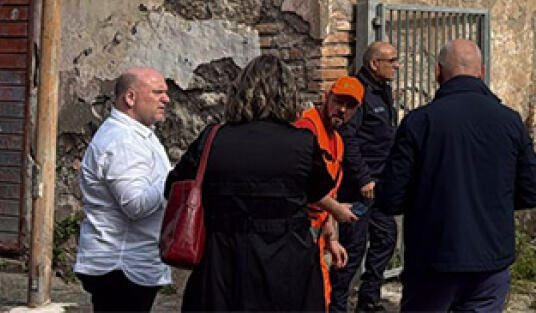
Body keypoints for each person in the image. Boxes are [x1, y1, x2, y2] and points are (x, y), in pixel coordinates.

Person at [166, 54, 357, 312]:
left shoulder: (213, 138)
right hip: (287, 264)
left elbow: (173, 187)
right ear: (287, 95)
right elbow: (320, 191)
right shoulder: (302, 142)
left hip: (223, 262)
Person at [377, 40, 536, 313]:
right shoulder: (510, 121)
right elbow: (531, 193)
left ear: (437, 72)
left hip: (433, 260)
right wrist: (491, 203)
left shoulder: (420, 122)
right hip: (490, 261)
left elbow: (390, 198)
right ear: (482, 72)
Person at [73, 67, 173, 312]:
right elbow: (135, 205)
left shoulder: (138, 134)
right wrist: (176, 179)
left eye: (165, 92)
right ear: (130, 98)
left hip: (130, 265)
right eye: (157, 92)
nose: (166, 99)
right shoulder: (122, 141)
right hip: (121, 267)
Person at [332, 42, 400, 313]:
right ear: (375, 64)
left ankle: (368, 299)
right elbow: (348, 138)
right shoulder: (358, 92)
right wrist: (363, 179)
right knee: (353, 248)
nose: (396, 65)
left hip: (379, 186)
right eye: (391, 60)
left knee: (386, 237)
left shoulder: (382, 91)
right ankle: (336, 305)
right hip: (359, 188)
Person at [296, 76, 365, 309]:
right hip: (298, 232)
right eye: (338, 102)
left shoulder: (338, 140)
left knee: (321, 297)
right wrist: (336, 211)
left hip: (315, 234)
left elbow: (330, 191)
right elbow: (303, 185)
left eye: (349, 106)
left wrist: (332, 239)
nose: (342, 109)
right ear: (327, 98)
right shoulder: (307, 128)